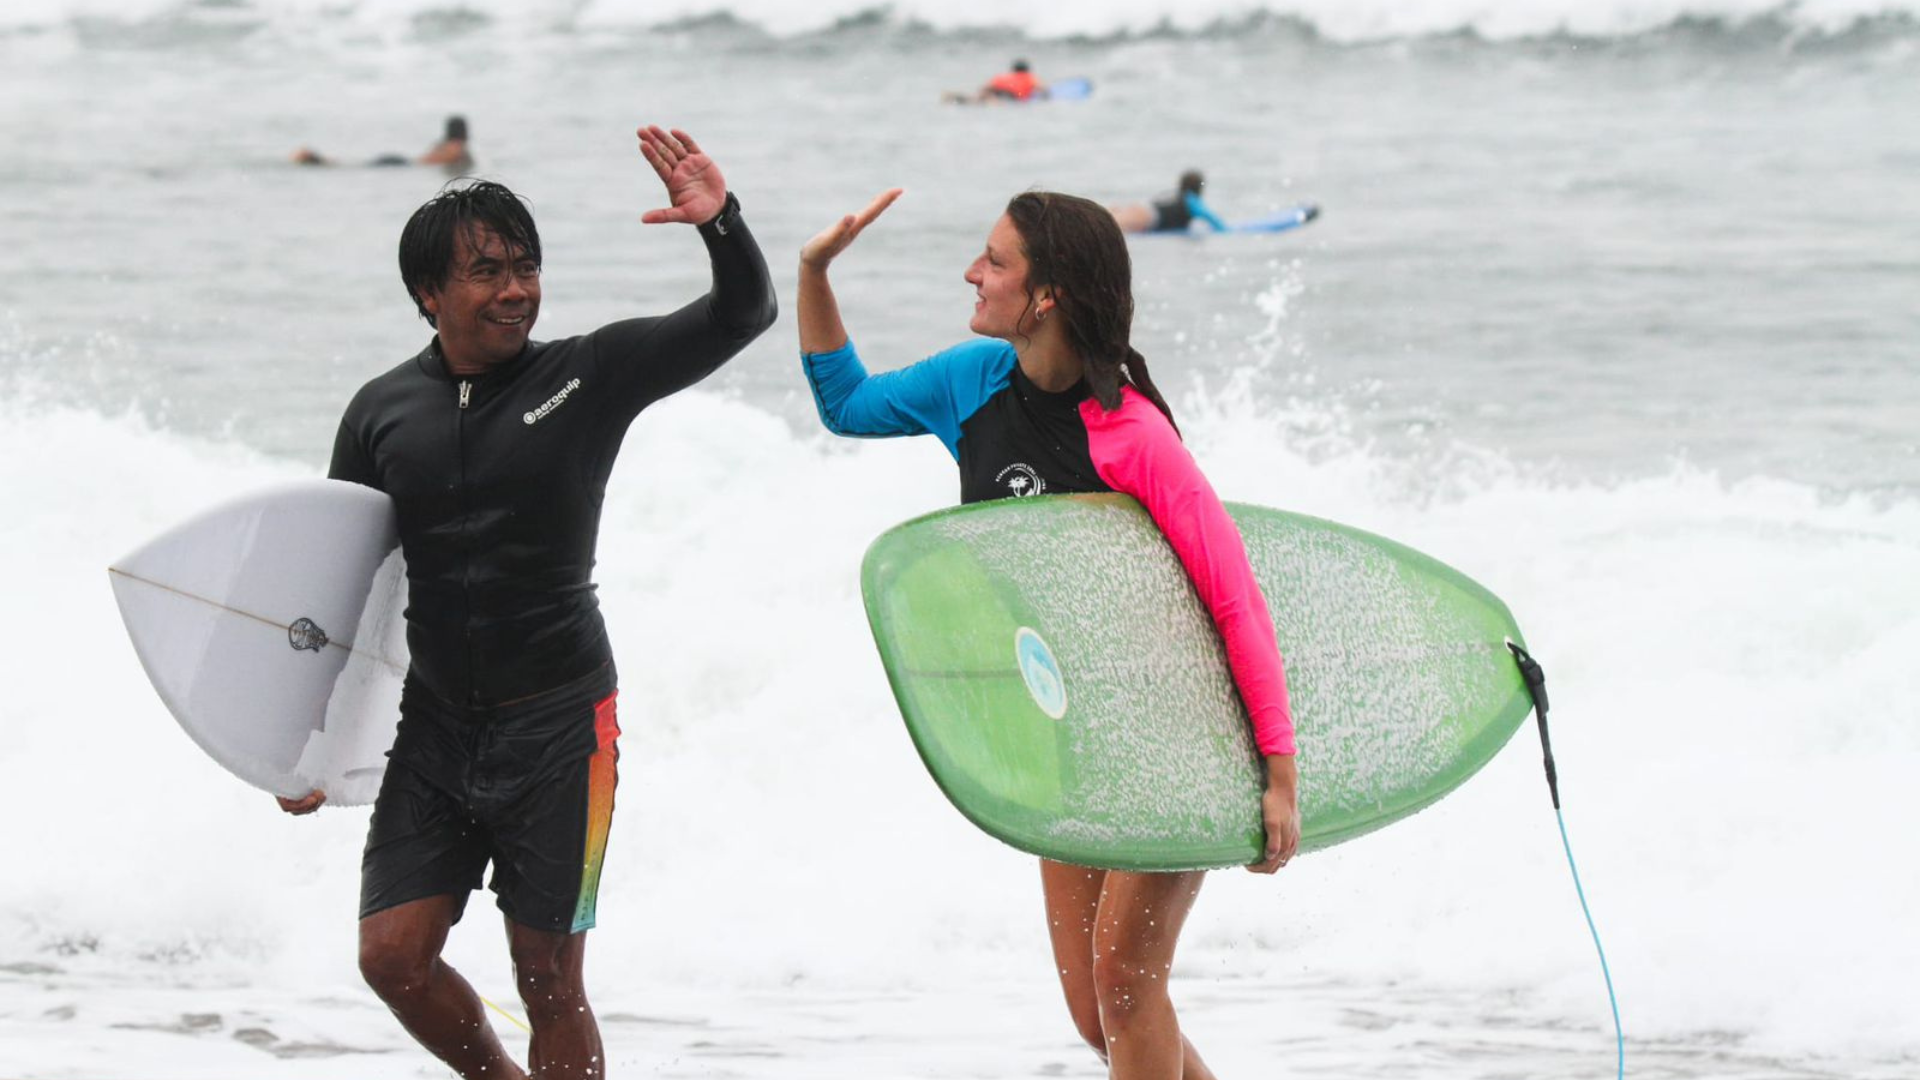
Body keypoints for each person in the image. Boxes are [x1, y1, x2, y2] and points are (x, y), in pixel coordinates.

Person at [277, 125, 776, 1080]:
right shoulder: (381, 413)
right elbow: (338, 585)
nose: (515, 289)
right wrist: (305, 740)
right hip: (436, 725)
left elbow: (741, 314)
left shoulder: (586, 376)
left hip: (560, 724)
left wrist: (722, 225)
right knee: (391, 957)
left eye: (525, 266)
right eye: (486, 272)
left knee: (548, 977)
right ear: (429, 295)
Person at [797, 188, 1301, 1078]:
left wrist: (1279, 773)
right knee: (1096, 1011)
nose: (972, 273)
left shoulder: (1133, 437)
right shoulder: (971, 384)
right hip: (1066, 732)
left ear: (1048, 296)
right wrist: (812, 271)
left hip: (1172, 730)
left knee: (1127, 982)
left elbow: (1234, 599)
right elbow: (848, 405)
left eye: (995, 262)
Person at [293, 114, 475, 174]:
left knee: (355, 165)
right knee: (353, 166)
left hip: (406, 162)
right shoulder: (456, 148)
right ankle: (313, 158)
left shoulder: (442, 145)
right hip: (404, 165)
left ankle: (314, 158)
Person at [1109, 170, 1229, 234]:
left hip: (1144, 209)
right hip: (1151, 216)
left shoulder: (1175, 195)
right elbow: (1212, 219)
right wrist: (1228, 232)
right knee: (1115, 226)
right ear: (1198, 188)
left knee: (1113, 220)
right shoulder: (1192, 201)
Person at [943, 58, 1046, 104]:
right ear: (1027, 69)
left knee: (978, 99)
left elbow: (985, 87)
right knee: (995, 101)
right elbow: (1043, 90)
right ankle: (989, 100)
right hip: (1012, 95)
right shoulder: (1030, 77)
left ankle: (956, 97)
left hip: (995, 91)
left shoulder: (1003, 76)